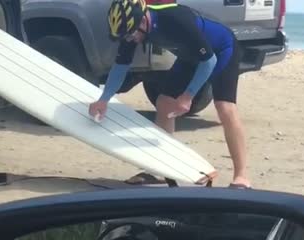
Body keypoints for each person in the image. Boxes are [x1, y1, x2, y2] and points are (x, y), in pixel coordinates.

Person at [88, 0, 251, 188]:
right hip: (190, 56)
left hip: (221, 50)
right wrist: (103, 99)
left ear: (142, 21)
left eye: (131, 34)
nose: (129, 39)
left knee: (225, 107)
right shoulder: (131, 30)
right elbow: (120, 68)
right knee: (164, 103)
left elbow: (209, 61)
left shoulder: (173, 18)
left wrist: (188, 96)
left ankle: (242, 176)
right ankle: (161, 169)